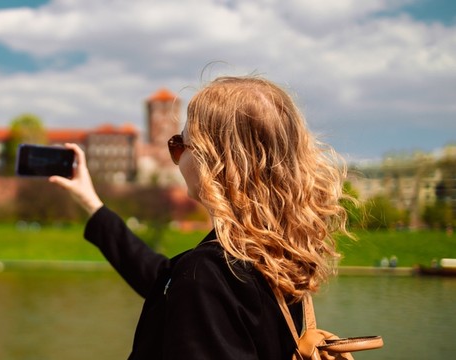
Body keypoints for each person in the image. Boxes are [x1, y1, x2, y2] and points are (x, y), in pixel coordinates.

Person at [49, 76, 351, 359]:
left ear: (215, 161)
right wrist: (92, 203)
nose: (177, 157)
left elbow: (187, 281)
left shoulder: (209, 273)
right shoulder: (276, 255)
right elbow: (163, 277)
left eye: (181, 144)